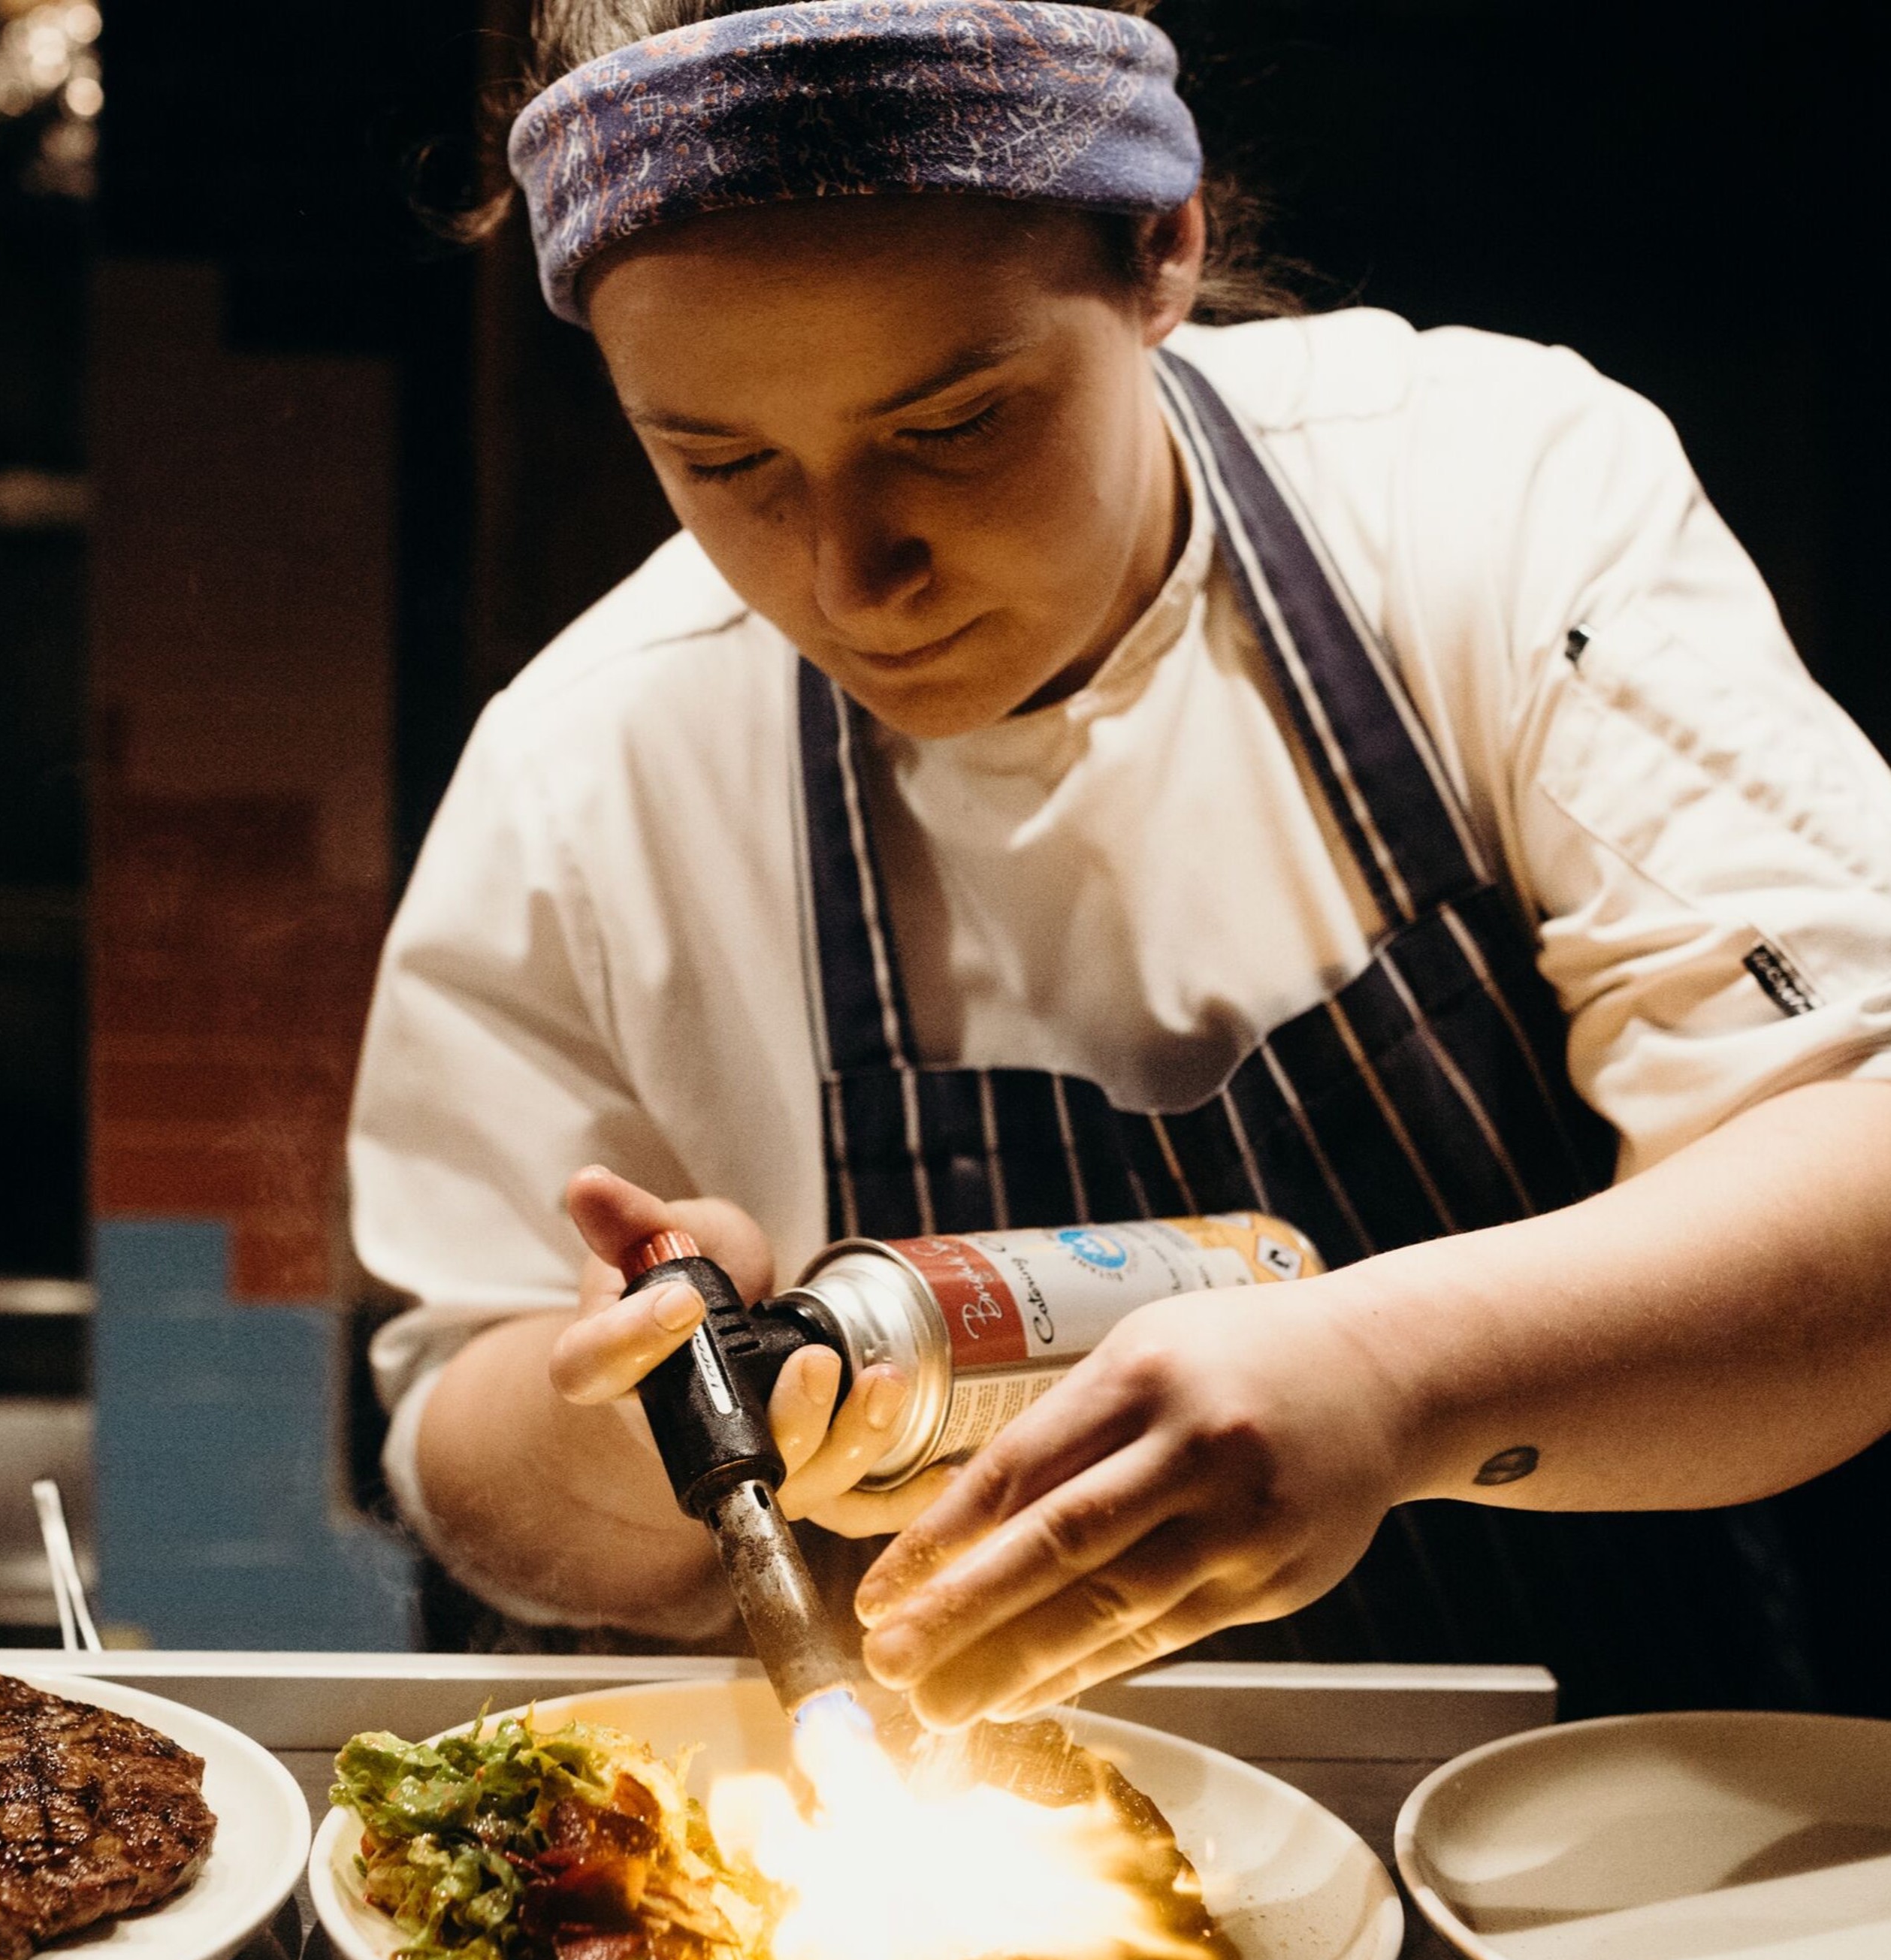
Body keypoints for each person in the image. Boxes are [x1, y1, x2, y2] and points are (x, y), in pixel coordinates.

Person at [349, 0, 1891, 1723]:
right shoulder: (588, 768)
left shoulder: (1483, 495)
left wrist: (1394, 1383)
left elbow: (1862, 1189)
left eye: (953, 425)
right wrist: (661, 1416)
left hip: (1599, 1782)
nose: (852, 577)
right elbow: (463, 1451)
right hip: (967, 1826)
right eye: (723, 462)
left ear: (1165, 248)